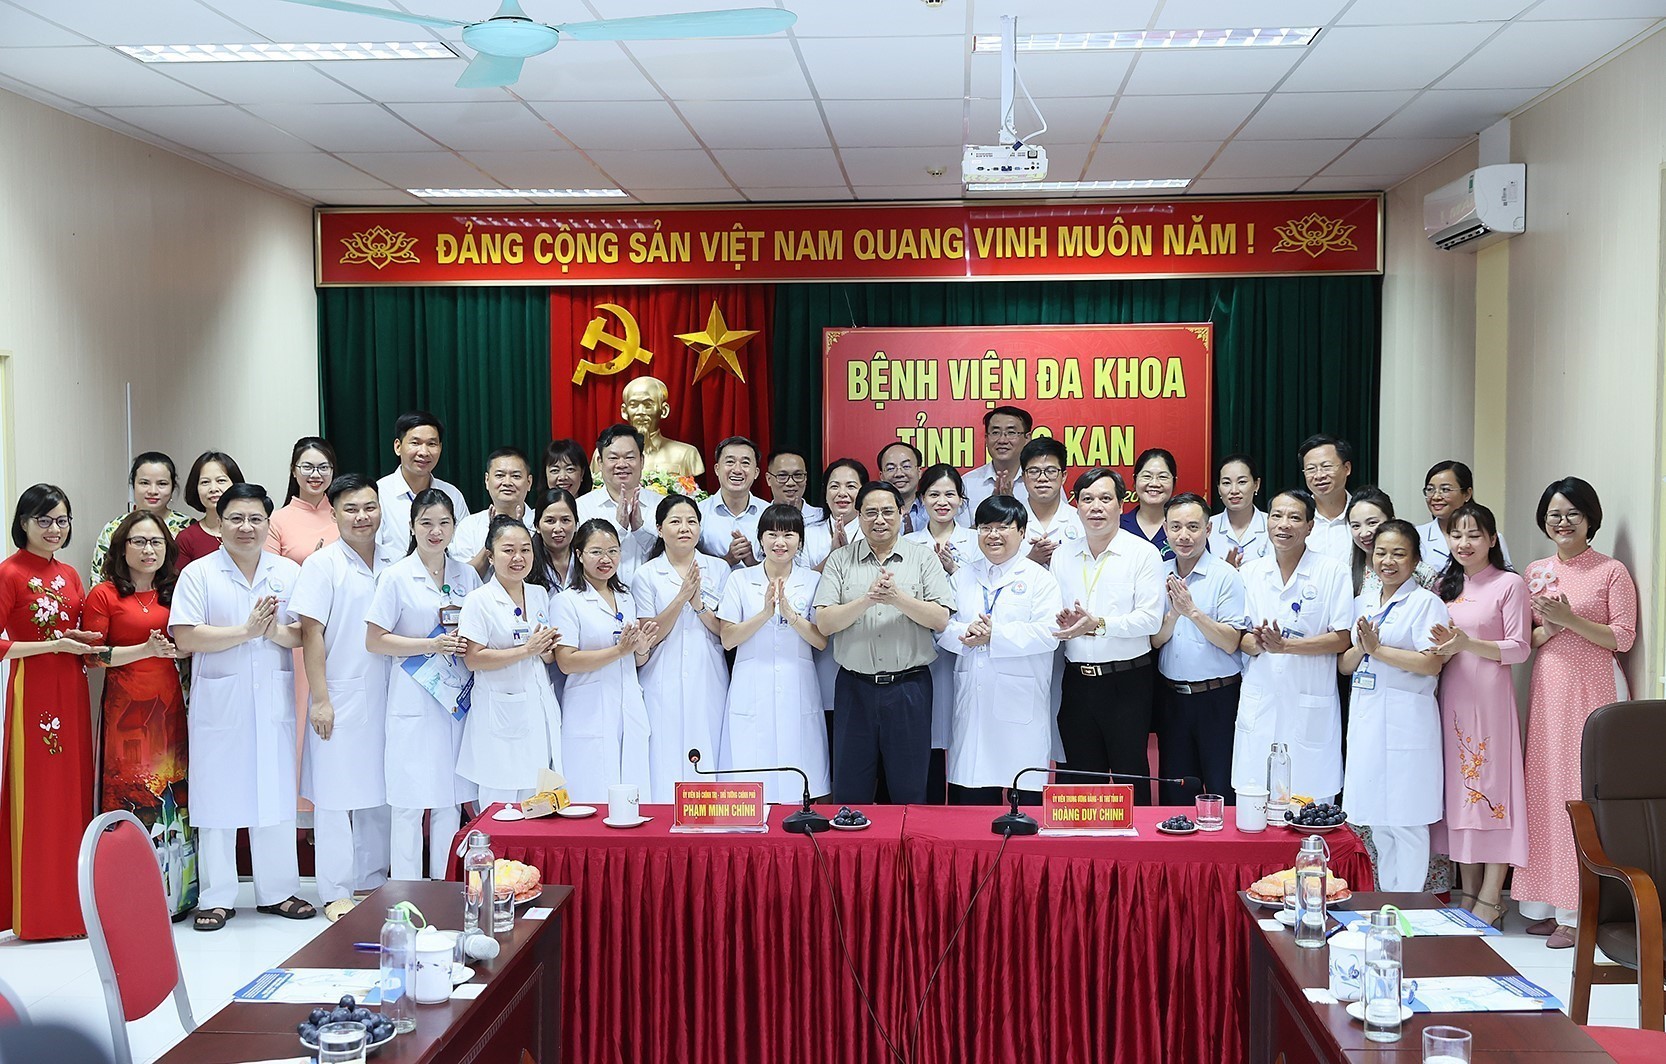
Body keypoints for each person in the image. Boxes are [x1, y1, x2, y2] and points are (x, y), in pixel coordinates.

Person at [170, 483, 313, 931]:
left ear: (268, 523)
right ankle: (216, 898)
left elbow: (304, 633)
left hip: (272, 700)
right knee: (217, 797)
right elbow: (185, 636)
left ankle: (277, 892)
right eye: (236, 518)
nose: (246, 527)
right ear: (220, 524)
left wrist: (272, 633)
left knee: (274, 793)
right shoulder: (199, 574)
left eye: (255, 519)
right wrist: (247, 632)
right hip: (221, 705)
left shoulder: (287, 572)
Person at [1514, 477, 1637, 949]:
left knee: (1579, 790)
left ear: (1590, 519)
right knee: (1545, 788)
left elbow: (1622, 637)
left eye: (1572, 514)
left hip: (1594, 686)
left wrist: (1569, 620)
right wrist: (1547, 629)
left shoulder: (1611, 571)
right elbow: (1526, 639)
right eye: (1554, 515)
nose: (1562, 522)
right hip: (1549, 686)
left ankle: (1579, 910)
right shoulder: (1536, 570)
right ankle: (1545, 904)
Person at [291, 475, 395, 921]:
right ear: (333, 513)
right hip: (340, 692)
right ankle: (334, 889)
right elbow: (311, 633)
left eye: (370, 507)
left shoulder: (395, 560)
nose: (362, 516)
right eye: (351, 509)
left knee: (381, 792)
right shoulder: (323, 565)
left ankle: (372, 880)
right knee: (334, 795)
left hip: (391, 694)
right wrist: (320, 698)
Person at [84, 510, 196, 919]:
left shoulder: (175, 590)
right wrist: (144, 650)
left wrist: (177, 650)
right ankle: (127, 899)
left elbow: (188, 641)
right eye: (139, 542)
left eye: (156, 542)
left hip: (169, 708)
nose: (149, 550)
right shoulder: (105, 594)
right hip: (126, 713)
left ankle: (177, 897)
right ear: (122, 547)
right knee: (132, 797)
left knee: (173, 796)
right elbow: (92, 656)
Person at [365, 488, 481, 881]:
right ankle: (406, 892)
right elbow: (375, 640)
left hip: (455, 696)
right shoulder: (396, 576)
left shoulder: (467, 575)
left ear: (454, 527)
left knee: (450, 800)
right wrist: (429, 645)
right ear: (412, 527)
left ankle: (445, 890)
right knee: (408, 803)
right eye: (426, 523)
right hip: (413, 695)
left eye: (444, 523)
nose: (436, 531)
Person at [814, 482, 954, 804]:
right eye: (871, 512)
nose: (880, 519)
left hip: (909, 689)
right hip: (854, 688)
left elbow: (940, 618)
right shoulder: (840, 560)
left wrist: (896, 598)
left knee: (909, 790)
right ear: (859, 516)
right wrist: (868, 599)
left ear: (902, 513)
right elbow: (825, 622)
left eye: (888, 511)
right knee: (851, 790)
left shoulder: (922, 558)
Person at [0, 485, 97, 940]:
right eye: (44, 520)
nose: (54, 529)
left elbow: (72, 630)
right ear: (23, 523)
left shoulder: (70, 574)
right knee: (40, 796)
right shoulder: (10, 572)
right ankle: (39, 915)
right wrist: (52, 646)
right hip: (34, 693)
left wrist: (78, 641)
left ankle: (72, 910)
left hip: (72, 689)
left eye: (62, 520)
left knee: (73, 792)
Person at [1429, 502, 1530, 929]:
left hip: (1489, 700)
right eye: (1456, 535)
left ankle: (1491, 898)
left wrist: (1466, 643)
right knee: (1459, 794)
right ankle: (1467, 893)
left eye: (1474, 534)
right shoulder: (1443, 586)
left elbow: (1520, 647)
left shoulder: (1510, 584)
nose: (1464, 543)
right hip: (1450, 695)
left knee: (1491, 791)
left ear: (1491, 539)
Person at [1338, 519, 1449, 892]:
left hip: (1407, 723)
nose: (1388, 561)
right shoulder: (1364, 602)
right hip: (1368, 720)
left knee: (1408, 822)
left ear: (1415, 560)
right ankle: (1387, 902)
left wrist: (1378, 649)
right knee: (1379, 824)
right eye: (1381, 553)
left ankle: (1410, 907)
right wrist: (1362, 648)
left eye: (1399, 554)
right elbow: (1346, 665)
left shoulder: (1426, 604)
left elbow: (1432, 663)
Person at [1230, 489, 1353, 804]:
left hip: (1309, 698)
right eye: (1277, 516)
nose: (1284, 524)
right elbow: (1241, 638)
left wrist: (1286, 646)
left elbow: (1342, 637)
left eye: (1295, 517)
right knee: (1254, 806)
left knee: (1310, 808)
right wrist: (1259, 642)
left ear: (1310, 526)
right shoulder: (1250, 572)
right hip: (1261, 696)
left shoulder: (1332, 571)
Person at [1048, 469, 1165, 801]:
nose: (1095, 507)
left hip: (1126, 682)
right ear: (1077, 506)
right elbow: (1052, 611)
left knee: (1131, 775)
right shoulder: (1062, 555)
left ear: (1120, 504)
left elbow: (1150, 620)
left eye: (1105, 498)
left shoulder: (1142, 553)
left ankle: (1137, 836)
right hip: (1076, 681)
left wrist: (1098, 624)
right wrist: (1063, 621)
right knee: (1080, 777)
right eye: (1087, 499)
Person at [938, 495, 1062, 805]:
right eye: (985, 527)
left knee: (1025, 798)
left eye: (1003, 527)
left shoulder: (1040, 579)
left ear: (1022, 532)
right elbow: (941, 627)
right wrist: (967, 634)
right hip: (974, 699)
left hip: (1020, 701)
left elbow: (1050, 633)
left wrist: (996, 635)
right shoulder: (963, 576)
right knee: (971, 801)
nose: (993, 535)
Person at [717, 504, 829, 803]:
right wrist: (765, 613)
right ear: (760, 538)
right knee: (751, 768)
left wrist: (791, 615)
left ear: (800, 541)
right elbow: (728, 639)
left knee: (800, 763)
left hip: (797, 683)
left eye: (789, 535)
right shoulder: (740, 580)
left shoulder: (813, 581)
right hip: (751, 683)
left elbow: (820, 641)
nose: (780, 542)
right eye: (772, 534)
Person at [457, 518, 564, 807]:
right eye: (508, 550)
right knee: (500, 806)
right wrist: (526, 650)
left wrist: (545, 649)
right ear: (490, 556)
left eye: (525, 549)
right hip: (501, 715)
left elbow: (544, 655)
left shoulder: (539, 594)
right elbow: (472, 658)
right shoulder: (479, 600)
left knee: (536, 804)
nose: (518, 557)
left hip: (537, 711)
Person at [551, 520, 657, 804]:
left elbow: (635, 660)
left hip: (629, 705)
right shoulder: (566, 601)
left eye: (613, 551)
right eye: (596, 552)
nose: (606, 559)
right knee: (593, 797)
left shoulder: (625, 597)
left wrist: (641, 649)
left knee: (634, 795)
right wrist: (619, 651)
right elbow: (566, 661)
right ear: (579, 554)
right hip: (589, 710)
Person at [1152, 493, 1248, 806]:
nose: (1184, 535)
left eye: (1193, 527)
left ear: (1208, 530)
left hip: (1218, 698)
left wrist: (1192, 612)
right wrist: (1174, 614)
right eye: (1176, 527)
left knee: (1222, 788)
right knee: (1176, 791)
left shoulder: (1225, 576)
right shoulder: (1158, 573)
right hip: (1173, 699)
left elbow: (1231, 641)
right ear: (1165, 530)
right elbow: (1155, 641)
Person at [633, 495, 729, 803]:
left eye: (691, 521)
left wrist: (698, 604)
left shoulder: (719, 569)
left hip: (708, 675)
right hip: (661, 677)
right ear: (660, 529)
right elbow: (650, 633)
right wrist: (681, 598)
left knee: (709, 749)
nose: (684, 528)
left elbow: (725, 631)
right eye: (675, 521)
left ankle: (710, 820)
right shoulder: (646, 574)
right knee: (665, 755)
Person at [904, 464, 975, 804]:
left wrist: (954, 569)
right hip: (921, 649)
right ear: (921, 499)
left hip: (968, 648)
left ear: (962, 500)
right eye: (933, 494)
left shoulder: (977, 540)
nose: (942, 502)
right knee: (928, 734)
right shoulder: (908, 543)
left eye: (950, 494)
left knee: (965, 732)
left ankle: (964, 809)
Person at [576, 424, 662, 585]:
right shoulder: (581, 508)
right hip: (599, 597)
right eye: (613, 458)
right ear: (600, 462)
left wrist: (640, 530)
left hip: (654, 598)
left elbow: (671, 554)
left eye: (629, 457)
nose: (622, 464)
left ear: (642, 461)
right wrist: (619, 530)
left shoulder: (662, 506)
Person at [375, 411, 470, 557]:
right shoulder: (379, 494)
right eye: (415, 443)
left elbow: (463, 552)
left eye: (432, 444)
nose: (424, 452)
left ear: (440, 447)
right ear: (398, 447)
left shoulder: (452, 495)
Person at [89, 452, 194, 583]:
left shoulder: (188, 528)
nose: (153, 491)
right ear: (133, 485)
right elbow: (98, 580)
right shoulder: (114, 528)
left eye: (162, 483)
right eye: (144, 483)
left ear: (173, 487)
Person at [450, 447, 536, 570]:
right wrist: (493, 536)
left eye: (516, 476)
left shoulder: (541, 524)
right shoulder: (469, 526)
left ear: (529, 482)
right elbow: (463, 577)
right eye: (500, 475)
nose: (507, 482)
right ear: (487, 480)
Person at [1418, 460, 1513, 570]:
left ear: (1467, 494)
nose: (1436, 497)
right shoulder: (1417, 536)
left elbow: (1504, 574)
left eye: (1445, 489)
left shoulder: (1489, 537)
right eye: (1430, 489)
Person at [1347, 488, 1439, 596]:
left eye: (1372, 523)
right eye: (1356, 526)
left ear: (1391, 521)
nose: (1364, 533)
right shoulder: (1346, 575)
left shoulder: (1424, 574)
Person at [267, 437, 340, 564]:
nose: (316, 475)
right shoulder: (275, 521)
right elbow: (271, 571)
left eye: (323, 467)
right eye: (307, 467)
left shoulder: (345, 515)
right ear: (293, 471)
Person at [699, 436, 766, 567]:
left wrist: (752, 562)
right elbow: (687, 563)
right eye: (730, 462)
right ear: (717, 469)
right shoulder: (699, 513)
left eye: (745, 463)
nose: (737, 470)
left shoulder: (769, 513)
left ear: (756, 472)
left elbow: (781, 566)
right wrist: (727, 560)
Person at [619, 374, 704, 478]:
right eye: (634, 405)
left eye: (648, 405)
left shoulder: (686, 454)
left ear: (664, 410)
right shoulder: (608, 455)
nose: (640, 412)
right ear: (624, 411)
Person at [960, 406, 1032, 521]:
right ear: (986, 438)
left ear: (1027, 438)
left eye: (1011, 433)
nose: (1002, 440)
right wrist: (991, 513)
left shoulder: (1039, 481)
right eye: (995, 433)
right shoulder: (967, 483)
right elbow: (962, 531)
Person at [1020, 437, 1083, 566]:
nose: (1042, 478)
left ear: (1063, 476)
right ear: (1023, 477)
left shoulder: (1081, 520)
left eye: (1051, 471)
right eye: (1034, 471)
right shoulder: (1008, 521)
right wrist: (1031, 560)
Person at [175, 451, 244, 568]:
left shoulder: (250, 530)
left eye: (221, 480)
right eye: (205, 482)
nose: (213, 488)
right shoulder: (187, 538)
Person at [1297, 434, 1354, 563]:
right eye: (1311, 469)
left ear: (1347, 468)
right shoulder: (1297, 519)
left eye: (1327, 466)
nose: (1319, 475)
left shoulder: (1365, 516)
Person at [803, 458, 866, 571]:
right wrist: (833, 555)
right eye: (834, 486)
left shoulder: (872, 533)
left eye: (851, 486)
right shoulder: (808, 534)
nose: (842, 493)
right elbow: (802, 579)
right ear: (825, 494)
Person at [1209, 453, 1269, 566]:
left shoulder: (1273, 525)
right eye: (1226, 483)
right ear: (1218, 489)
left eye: (1242, 482)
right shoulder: (1207, 528)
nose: (1234, 490)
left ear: (1256, 485)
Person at [1121, 447, 1176, 560]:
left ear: (1174, 481)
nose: (1154, 483)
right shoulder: (1117, 526)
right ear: (1135, 480)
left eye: (1162, 477)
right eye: (1147, 476)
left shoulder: (1185, 528)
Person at [877, 441, 928, 534]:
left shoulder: (933, 508)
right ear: (882, 476)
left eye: (906, 466)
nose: (899, 474)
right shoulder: (874, 514)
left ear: (919, 472)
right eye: (891, 468)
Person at [765, 449, 825, 526]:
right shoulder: (758, 517)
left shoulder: (821, 518)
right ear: (769, 479)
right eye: (782, 475)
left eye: (798, 475)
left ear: (806, 478)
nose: (791, 483)